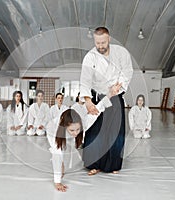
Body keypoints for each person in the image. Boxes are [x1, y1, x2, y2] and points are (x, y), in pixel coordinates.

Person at [79, 27, 133, 175]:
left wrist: (119, 85)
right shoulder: (90, 57)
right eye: (98, 43)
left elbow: (127, 71)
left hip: (115, 96)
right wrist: (88, 102)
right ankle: (93, 164)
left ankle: (113, 165)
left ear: (109, 39)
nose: (100, 46)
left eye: (103, 42)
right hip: (97, 98)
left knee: (115, 134)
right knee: (95, 132)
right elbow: (85, 80)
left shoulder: (121, 53)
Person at [47, 86, 118, 192]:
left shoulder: (84, 122)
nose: (76, 133)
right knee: (59, 153)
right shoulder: (54, 130)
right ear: (66, 127)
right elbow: (57, 155)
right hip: (53, 132)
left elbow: (98, 109)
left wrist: (110, 94)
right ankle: (61, 166)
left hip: (69, 127)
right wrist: (57, 181)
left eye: (77, 130)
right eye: (72, 130)